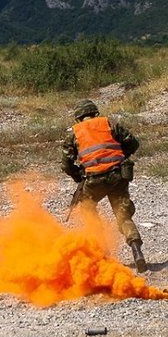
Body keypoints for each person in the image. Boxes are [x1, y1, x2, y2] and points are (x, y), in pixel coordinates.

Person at [60, 100, 147, 272]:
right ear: (95, 113)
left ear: (78, 119)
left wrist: (79, 176)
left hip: (94, 180)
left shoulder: (74, 135)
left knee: (88, 208)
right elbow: (133, 143)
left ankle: (104, 253)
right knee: (123, 215)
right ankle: (137, 251)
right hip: (118, 176)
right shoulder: (109, 124)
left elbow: (67, 164)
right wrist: (119, 158)